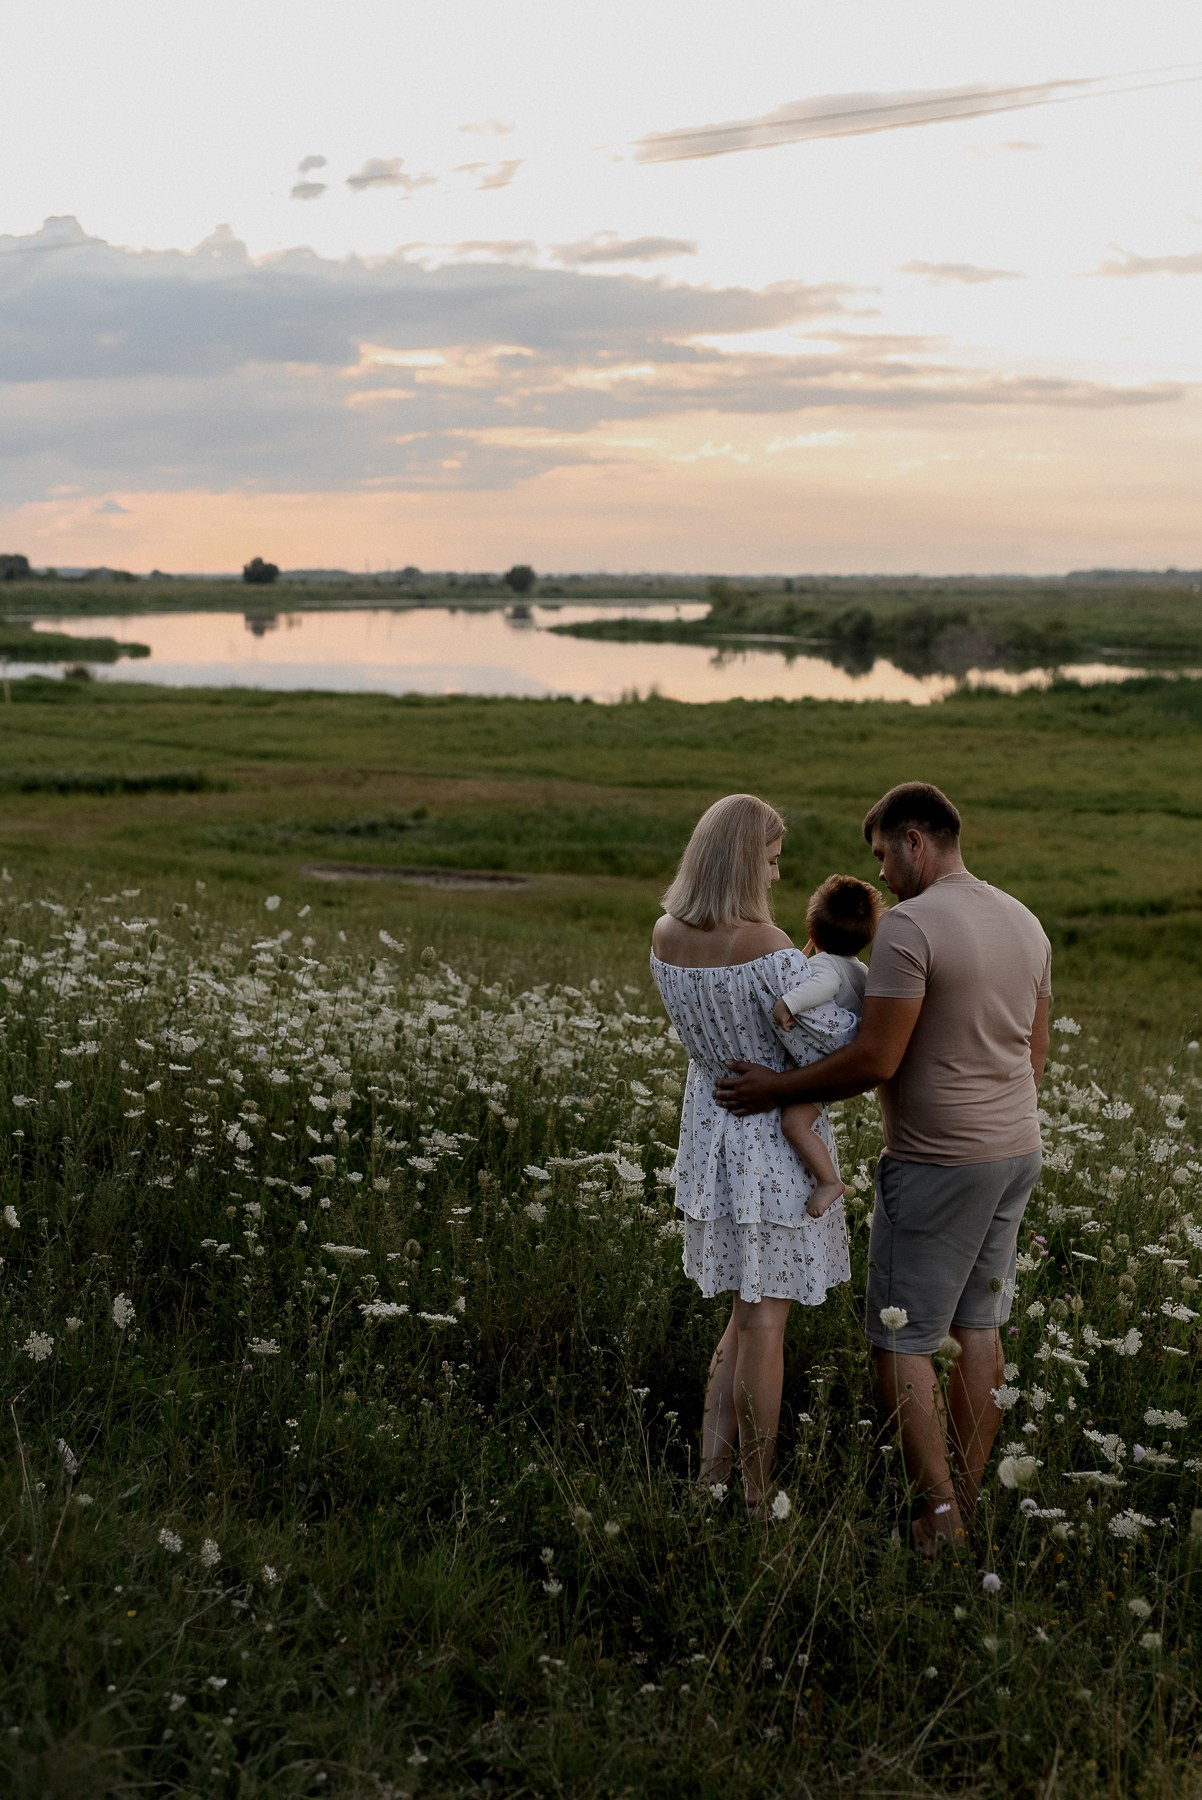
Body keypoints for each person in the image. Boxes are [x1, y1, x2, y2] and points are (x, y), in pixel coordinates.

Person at [714, 782, 1050, 1555]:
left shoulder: (909, 927)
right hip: (1015, 1151)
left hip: (938, 1161)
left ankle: (935, 1519)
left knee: (900, 1340)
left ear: (914, 842)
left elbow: (874, 1058)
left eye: (884, 858)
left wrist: (773, 1089)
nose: (883, 878)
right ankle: (963, 1504)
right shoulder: (1025, 922)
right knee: (977, 1328)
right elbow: (1034, 1058)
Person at [649, 793, 853, 1514]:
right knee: (764, 1323)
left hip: (711, 1138)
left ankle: (710, 1477)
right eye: (769, 861)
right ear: (742, 860)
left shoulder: (666, 933)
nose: (775, 876)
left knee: (743, 1313)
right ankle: (758, 1493)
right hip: (770, 1146)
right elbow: (828, 1041)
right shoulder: (765, 948)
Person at [769, 874, 884, 1218]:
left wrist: (788, 1003)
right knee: (800, 1119)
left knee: (793, 1123)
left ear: (813, 931)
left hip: (821, 1061)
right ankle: (828, 1178)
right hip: (842, 1065)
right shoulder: (861, 971)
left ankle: (829, 1181)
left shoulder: (825, 967)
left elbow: (823, 985)